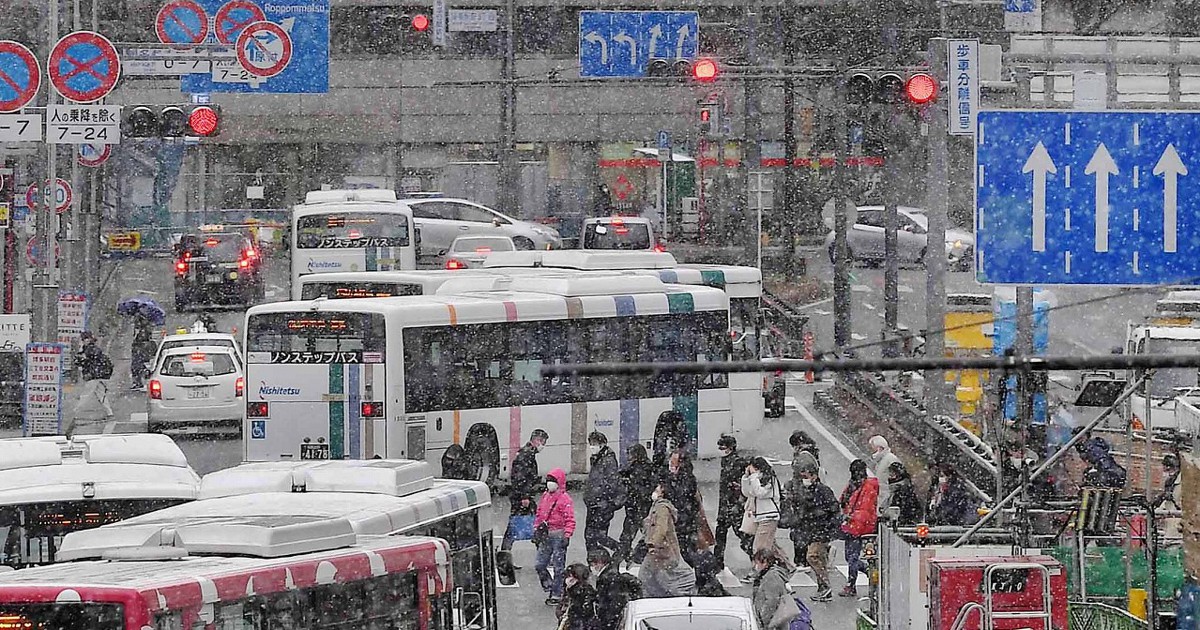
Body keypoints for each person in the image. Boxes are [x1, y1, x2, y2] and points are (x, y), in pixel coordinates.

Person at [791, 464, 839, 602]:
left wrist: (825, 520)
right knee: (820, 559)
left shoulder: (823, 490)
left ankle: (825, 586)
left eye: (806, 476)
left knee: (812, 556)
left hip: (821, 530)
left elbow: (834, 508)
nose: (804, 479)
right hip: (812, 530)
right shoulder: (805, 491)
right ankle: (823, 588)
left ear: (814, 476)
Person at [641, 483, 697, 597]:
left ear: (663, 493)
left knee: (650, 576)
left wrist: (653, 544)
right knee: (657, 577)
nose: (654, 492)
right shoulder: (657, 506)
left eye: (657, 489)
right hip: (660, 550)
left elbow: (661, 529)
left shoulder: (662, 508)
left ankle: (679, 594)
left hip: (661, 550)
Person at [741, 457, 795, 576]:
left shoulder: (770, 480)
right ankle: (787, 566)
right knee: (770, 545)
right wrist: (746, 478)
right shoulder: (756, 479)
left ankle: (760, 570)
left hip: (768, 515)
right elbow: (747, 493)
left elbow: (760, 493)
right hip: (758, 516)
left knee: (760, 547)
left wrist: (754, 477)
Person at [501, 429, 547, 554]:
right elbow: (521, 477)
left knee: (518, 524)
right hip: (522, 496)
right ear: (536, 440)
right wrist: (525, 496)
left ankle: (505, 554)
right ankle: (542, 554)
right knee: (528, 523)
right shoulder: (526, 455)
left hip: (520, 495)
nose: (543, 445)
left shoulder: (526, 454)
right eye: (542, 442)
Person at [535, 468, 575, 606]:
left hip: (558, 535)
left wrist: (567, 534)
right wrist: (537, 528)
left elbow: (570, 519)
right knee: (540, 564)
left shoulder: (565, 499)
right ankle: (550, 586)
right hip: (546, 535)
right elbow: (539, 514)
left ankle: (557, 593)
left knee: (559, 567)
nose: (549, 484)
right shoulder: (545, 496)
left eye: (552, 481)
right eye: (548, 481)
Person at [838, 460, 879, 597]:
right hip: (853, 526)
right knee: (849, 557)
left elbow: (865, 510)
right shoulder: (856, 485)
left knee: (852, 557)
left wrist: (851, 519)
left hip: (858, 527)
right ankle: (868, 571)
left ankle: (851, 584)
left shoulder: (867, 488)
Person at [714, 435, 753, 566]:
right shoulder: (725, 461)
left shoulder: (737, 462)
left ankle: (757, 559)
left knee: (743, 535)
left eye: (723, 447)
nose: (720, 450)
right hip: (726, 505)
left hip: (735, 506)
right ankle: (718, 561)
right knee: (721, 533)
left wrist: (738, 500)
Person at [584, 431, 624, 556]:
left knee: (597, 536)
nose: (592, 446)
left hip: (602, 505)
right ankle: (595, 561)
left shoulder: (608, 460)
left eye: (594, 443)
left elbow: (611, 483)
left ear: (602, 444)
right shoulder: (596, 459)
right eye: (590, 443)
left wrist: (602, 500)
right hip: (594, 504)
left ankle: (622, 551)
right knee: (590, 536)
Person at [615, 444, 655, 568]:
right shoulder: (634, 468)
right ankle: (629, 557)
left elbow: (644, 490)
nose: (629, 457)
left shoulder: (645, 469)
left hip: (640, 508)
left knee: (641, 536)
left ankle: (630, 558)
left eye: (631, 454)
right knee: (634, 536)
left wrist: (630, 484)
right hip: (635, 508)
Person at [70, 331, 114, 433]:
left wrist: (80, 359)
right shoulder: (92, 348)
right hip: (98, 375)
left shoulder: (90, 349)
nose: (83, 341)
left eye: (84, 339)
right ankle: (110, 413)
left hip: (93, 376)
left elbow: (85, 361)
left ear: (88, 339)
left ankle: (75, 413)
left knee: (85, 395)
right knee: (101, 395)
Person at [660, 449, 700, 560]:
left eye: (674, 461)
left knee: (686, 550)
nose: (671, 464)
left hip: (685, 520)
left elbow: (682, 495)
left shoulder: (687, 478)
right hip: (676, 519)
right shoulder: (667, 475)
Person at [589, 548, 642, 630]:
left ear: (602, 563)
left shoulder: (608, 579)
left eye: (594, 564)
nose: (592, 567)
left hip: (610, 621)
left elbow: (613, 603)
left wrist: (605, 622)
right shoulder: (608, 576)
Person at [751, 548, 798, 630]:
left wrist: (763, 621)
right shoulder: (768, 575)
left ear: (765, 562)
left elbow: (771, 601)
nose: (755, 566)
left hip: (773, 623)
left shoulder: (771, 577)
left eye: (756, 563)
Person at [556, 563, 598, 630]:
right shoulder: (568, 589)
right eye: (568, 576)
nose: (569, 580)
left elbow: (585, 611)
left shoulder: (584, 591)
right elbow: (561, 606)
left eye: (573, 577)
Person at [868, 435, 901, 513]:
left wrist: (890, 486)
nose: (872, 450)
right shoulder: (881, 460)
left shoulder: (890, 459)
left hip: (886, 496)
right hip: (880, 494)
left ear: (880, 448)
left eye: (873, 448)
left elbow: (899, 476)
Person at [130, 315, 155, 391]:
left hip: (141, 350)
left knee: (137, 366)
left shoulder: (144, 330)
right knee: (137, 366)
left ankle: (140, 381)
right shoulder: (140, 330)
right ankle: (139, 381)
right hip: (139, 350)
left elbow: (143, 339)